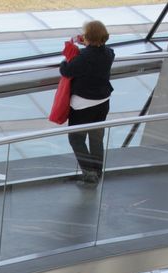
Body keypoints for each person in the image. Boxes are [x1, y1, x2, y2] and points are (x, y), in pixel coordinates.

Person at [59, 20, 114, 186]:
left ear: (87, 36)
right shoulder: (109, 53)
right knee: (96, 138)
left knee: (76, 138)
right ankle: (97, 171)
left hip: (83, 105)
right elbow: (97, 53)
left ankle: (89, 174)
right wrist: (89, 42)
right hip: (102, 102)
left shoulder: (84, 57)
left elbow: (66, 70)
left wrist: (64, 60)